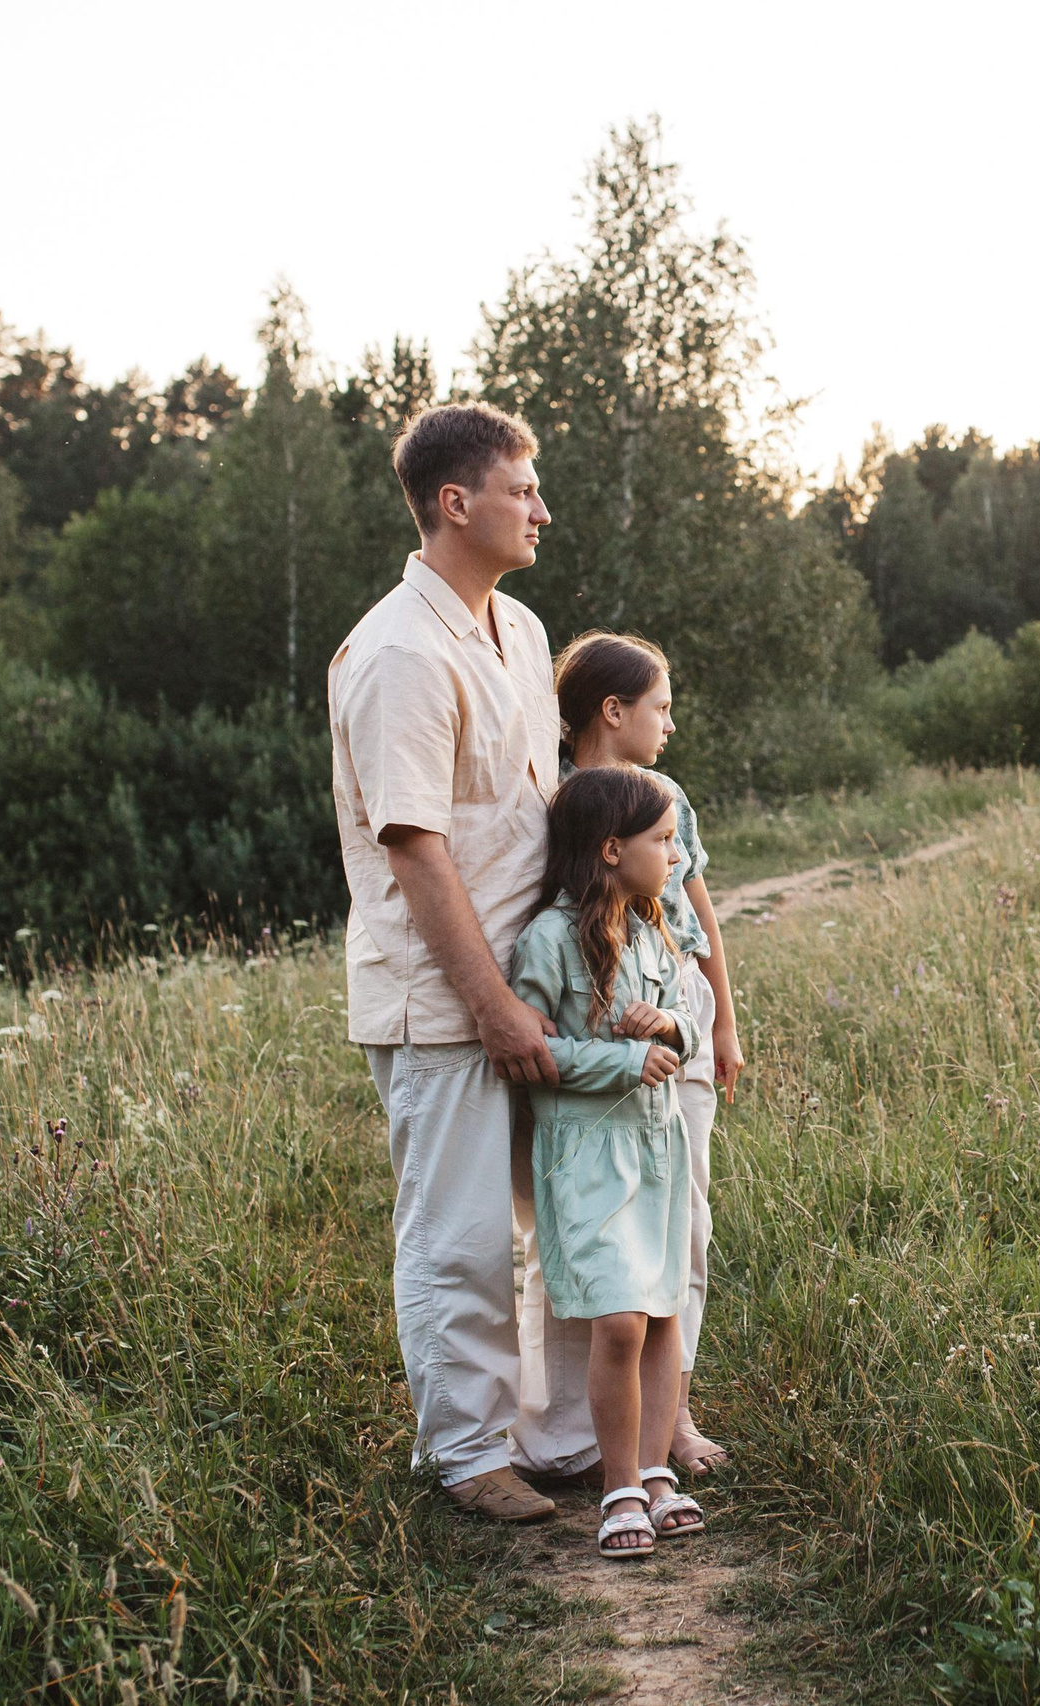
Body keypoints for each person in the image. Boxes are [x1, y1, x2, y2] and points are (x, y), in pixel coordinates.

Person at [327, 401, 562, 1524]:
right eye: (524, 489)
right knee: (458, 1233)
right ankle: (467, 1456)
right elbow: (414, 846)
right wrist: (490, 1004)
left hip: (536, 982)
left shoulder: (517, 631)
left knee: (545, 1218)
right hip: (446, 998)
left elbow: (537, 812)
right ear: (455, 502)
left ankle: (549, 1433)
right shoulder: (398, 652)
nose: (541, 509)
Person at [551, 632, 742, 1475]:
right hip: (602, 1030)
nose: (669, 723)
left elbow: (699, 917)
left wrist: (724, 1023)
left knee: (684, 1219)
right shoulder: (563, 800)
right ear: (613, 710)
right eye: (660, 707)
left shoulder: (670, 798)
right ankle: (588, 1430)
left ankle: (677, 1417)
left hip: (680, 1019)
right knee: (600, 1229)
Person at [510, 766, 707, 1557]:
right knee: (619, 1317)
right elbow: (531, 1052)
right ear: (611, 849)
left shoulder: (658, 925)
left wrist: (669, 1025)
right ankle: (617, 1484)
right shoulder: (550, 940)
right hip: (588, 1157)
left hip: (659, 1149)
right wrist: (622, 1062)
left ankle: (656, 1475)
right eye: (663, 842)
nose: (675, 855)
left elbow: (688, 1017)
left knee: (661, 1313)